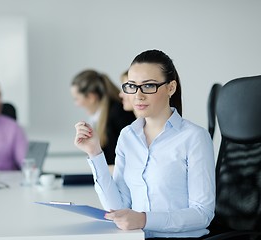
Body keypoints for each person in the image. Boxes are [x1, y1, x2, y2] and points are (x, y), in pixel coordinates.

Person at [74, 50, 215, 239]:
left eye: (148, 85)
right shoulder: (127, 136)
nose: (138, 95)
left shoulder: (195, 138)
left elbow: (202, 214)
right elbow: (117, 208)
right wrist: (94, 153)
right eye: (131, 86)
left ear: (171, 88)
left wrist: (144, 220)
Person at [70, 69, 136, 168]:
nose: (76, 104)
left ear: (91, 97)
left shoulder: (118, 114)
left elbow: (121, 162)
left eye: (76, 99)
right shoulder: (100, 117)